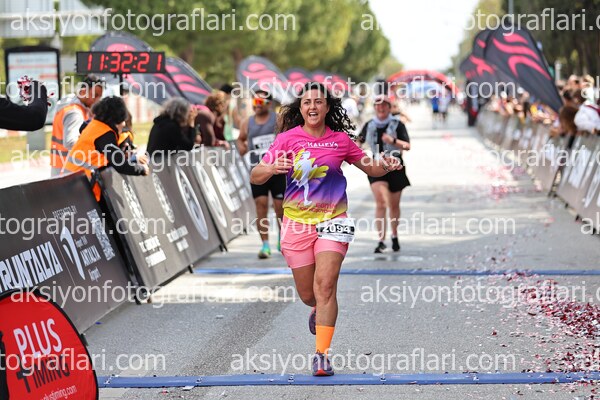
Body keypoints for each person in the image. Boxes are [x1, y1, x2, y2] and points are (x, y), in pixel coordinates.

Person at [250, 82, 402, 376]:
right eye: (307, 102)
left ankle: (321, 354)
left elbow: (370, 167)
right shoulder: (286, 139)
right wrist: (270, 168)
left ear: (327, 107)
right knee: (309, 294)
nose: (312, 107)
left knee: (325, 287)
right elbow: (255, 176)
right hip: (296, 223)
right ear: (301, 108)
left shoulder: (340, 140)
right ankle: (317, 308)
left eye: (318, 102)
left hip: (334, 221)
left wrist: (385, 164)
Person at [61, 96, 149, 201]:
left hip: (72, 181)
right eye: (123, 120)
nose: (124, 124)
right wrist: (141, 170)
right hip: (80, 186)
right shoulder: (105, 135)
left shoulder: (95, 125)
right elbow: (120, 164)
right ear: (117, 118)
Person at [357, 95, 411, 253]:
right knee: (381, 202)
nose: (380, 108)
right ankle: (381, 240)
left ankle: (394, 235)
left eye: (384, 105)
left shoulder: (398, 124)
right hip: (376, 167)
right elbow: (358, 141)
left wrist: (392, 141)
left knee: (393, 205)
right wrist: (356, 147)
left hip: (395, 166)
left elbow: (407, 146)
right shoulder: (369, 124)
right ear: (374, 107)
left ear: (389, 107)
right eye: (378, 105)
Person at [237, 90, 284, 258]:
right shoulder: (247, 122)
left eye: (260, 102)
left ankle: (282, 238)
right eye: (254, 102)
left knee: (280, 207)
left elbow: (288, 137)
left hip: (278, 170)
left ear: (269, 104)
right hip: (258, 172)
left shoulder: (277, 119)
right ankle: (265, 245)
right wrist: (242, 147)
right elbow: (241, 138)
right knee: (261, 205)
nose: (256, 105)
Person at [51, 74, 105, 176]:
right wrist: (95, 149)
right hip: (68, 170)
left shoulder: (69, 106)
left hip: (60, 166)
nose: (97, 100)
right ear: (83, 92)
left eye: (100, 96)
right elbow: (70, 142)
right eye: (95, 95)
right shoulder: (75, 113)